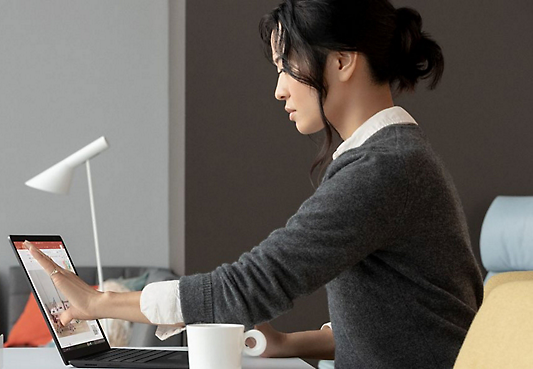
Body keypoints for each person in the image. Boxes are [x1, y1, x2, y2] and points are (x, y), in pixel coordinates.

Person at [26, 0, 484, 367]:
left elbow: (249, 286)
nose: (279, 88)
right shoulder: (392, 157)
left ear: (342, 61)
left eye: (286, 66)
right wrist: (286, 343)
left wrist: (98, 302)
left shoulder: (384, 170)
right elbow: (405, 321)